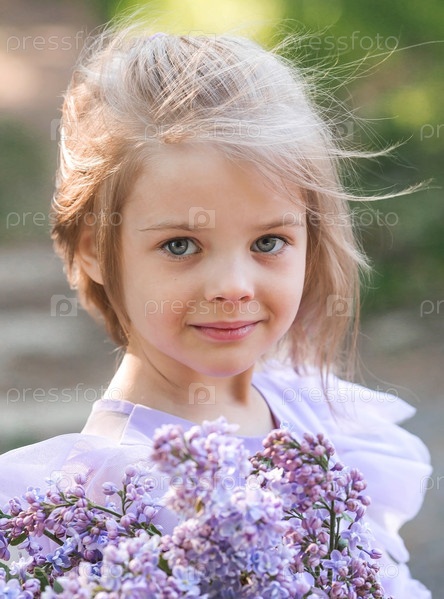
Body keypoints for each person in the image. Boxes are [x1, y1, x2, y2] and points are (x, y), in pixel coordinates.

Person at [0, 20, 431, 596]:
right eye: (181, 245)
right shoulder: (103, 501)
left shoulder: (314, 416)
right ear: (94, 250)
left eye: (268, 242)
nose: (234, 286)